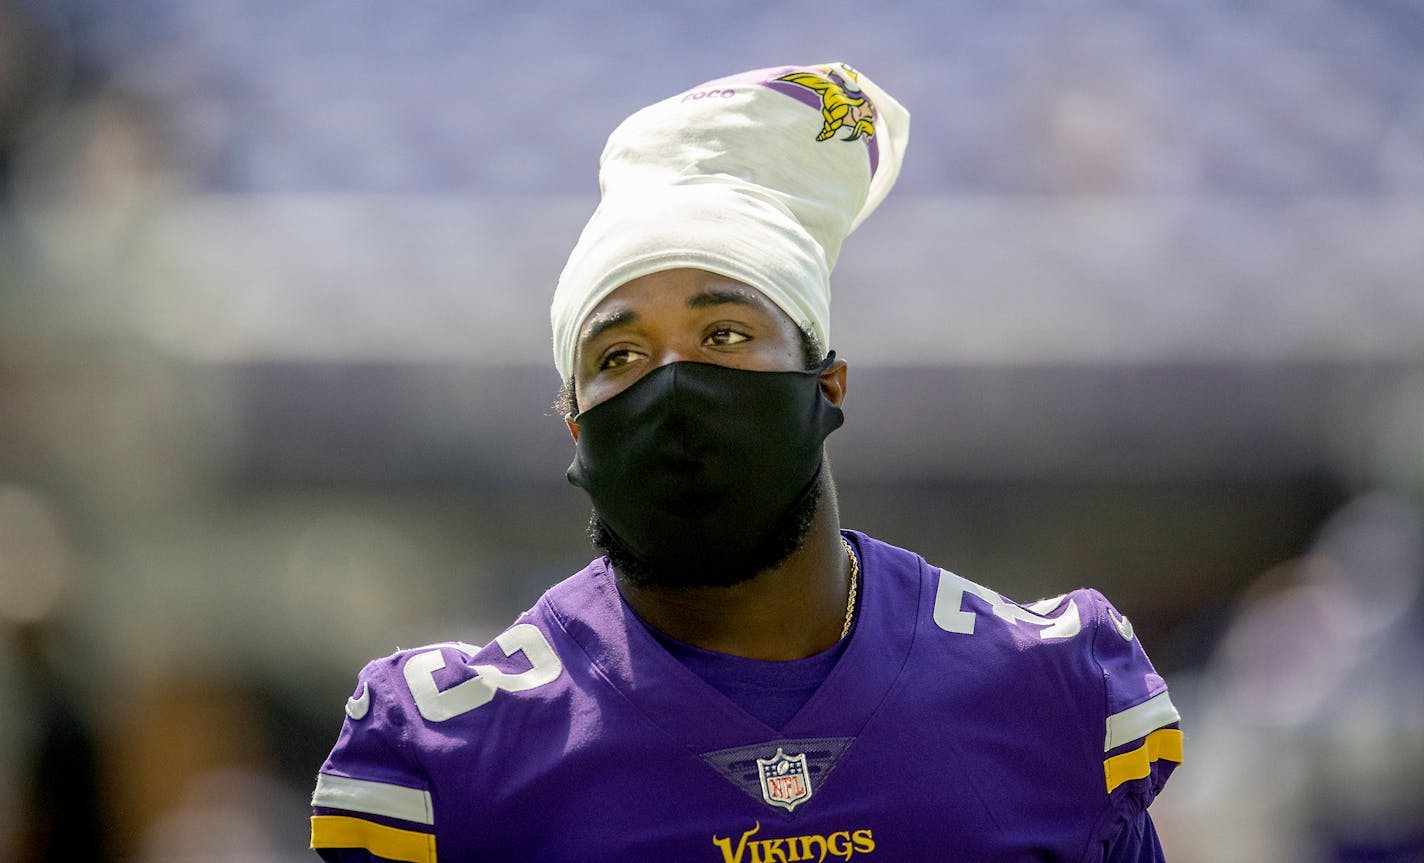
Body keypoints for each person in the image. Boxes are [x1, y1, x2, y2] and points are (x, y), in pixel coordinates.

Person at [308, 61, 1182, 863]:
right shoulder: (456, 748)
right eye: (618, 356)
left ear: (827, 384)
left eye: (724, 335)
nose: (675, 384)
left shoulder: (1041, 685)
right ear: (576, 428)